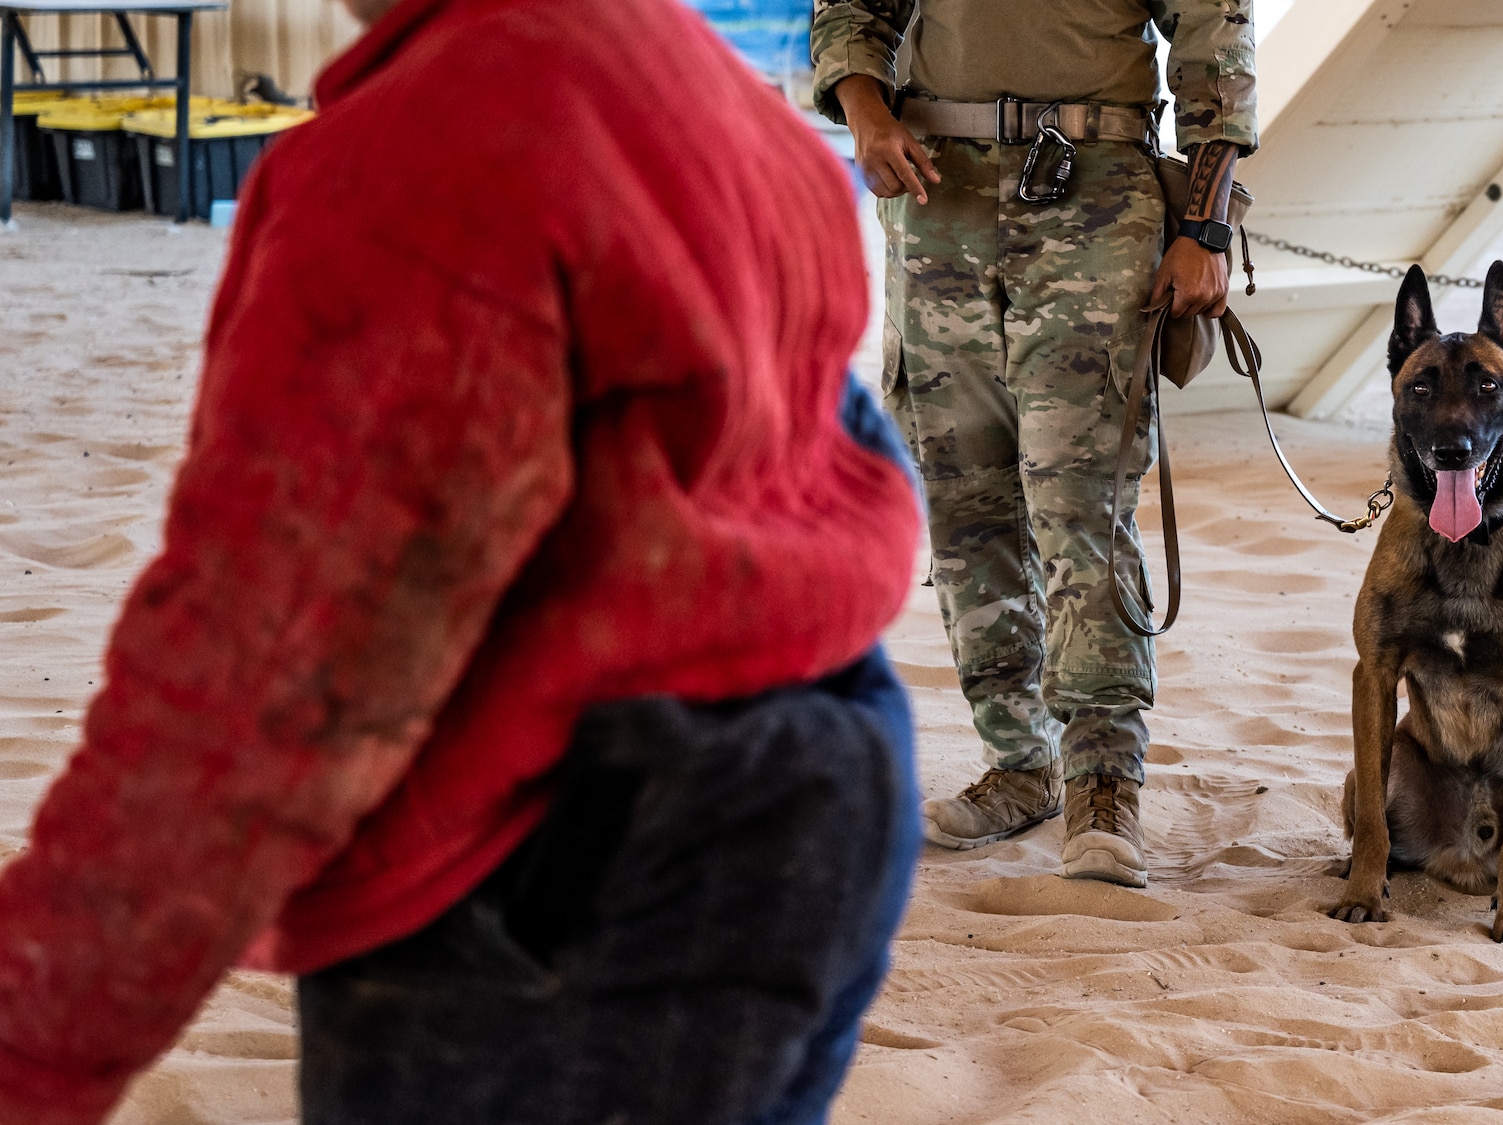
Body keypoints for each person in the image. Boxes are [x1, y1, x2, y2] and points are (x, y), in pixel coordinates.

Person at [0, 0, 924, 1121]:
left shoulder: (430, 157)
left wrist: (33, 1051)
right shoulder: (697, 81)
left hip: (573, 880)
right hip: (814, 801)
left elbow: (273, 674)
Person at [811, 0, 1258, 887]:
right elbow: (854, 6)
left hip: (1096, 197)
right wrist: (865, 112)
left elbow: (1216, 33)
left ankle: (1102, 781)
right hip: (935, 194)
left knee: (1081, 503)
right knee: (965, 505)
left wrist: (1204, 228)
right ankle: (1020, 761)